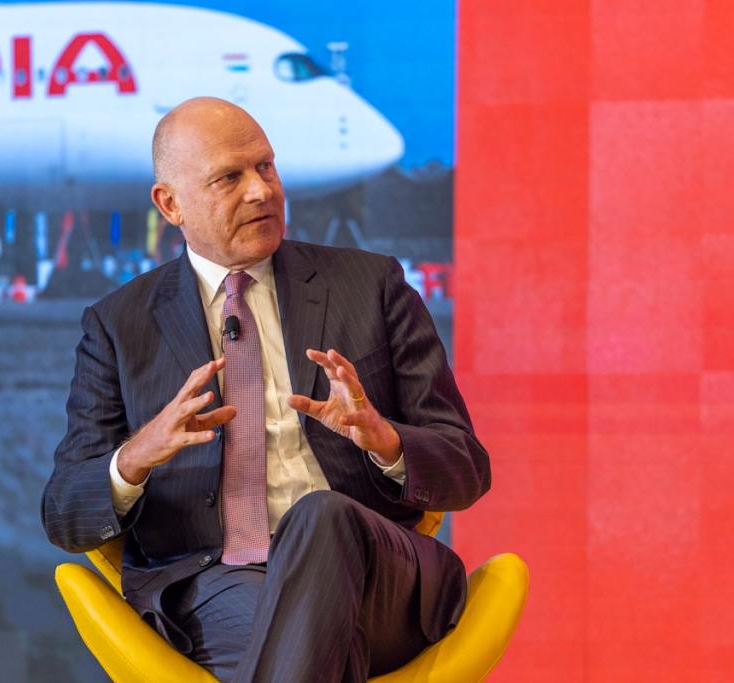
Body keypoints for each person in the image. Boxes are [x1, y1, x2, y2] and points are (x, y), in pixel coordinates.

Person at [42, 97, 490, 682]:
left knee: (322, 517)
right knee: (304, 639)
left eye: (267, 167)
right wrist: (137, 455)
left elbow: (467, 469)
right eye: (230, 177)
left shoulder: (371, 285)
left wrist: (387, 442)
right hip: (215, 584)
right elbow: (64, 512)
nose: (261, 191)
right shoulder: (119, 326)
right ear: (170, 204)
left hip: (382, 577)